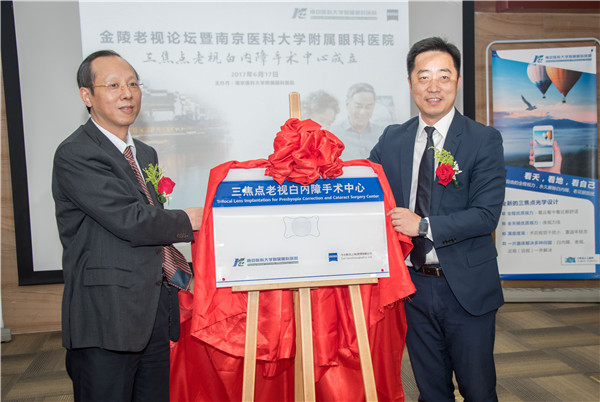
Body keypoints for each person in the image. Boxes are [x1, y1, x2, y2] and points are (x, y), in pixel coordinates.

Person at [52, 50, 203, 401]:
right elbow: (129, 219)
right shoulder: (76, 153)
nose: (127, 94)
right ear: (87, 96)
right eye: (114, 85)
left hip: (152, 310)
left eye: (133, 84)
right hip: (106, 316)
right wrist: (188, 219)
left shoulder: (145, 154)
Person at [369, 37, 506, 401]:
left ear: (457, 82)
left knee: (478, 390)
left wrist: (423, 226)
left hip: (465, 287)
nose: (434, 87)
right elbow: (365, 190)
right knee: (430, 392)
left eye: (444, 76)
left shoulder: (482, 140)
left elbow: (486, 215)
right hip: (413, 287)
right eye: (424, 76)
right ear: (410, 83)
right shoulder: (392, 139)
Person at [332, 82, 383, 160]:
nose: (362, 112)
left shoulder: (382, 134)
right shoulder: (333, 133)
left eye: (368, 107)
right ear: (347, 104)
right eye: (358, 106)